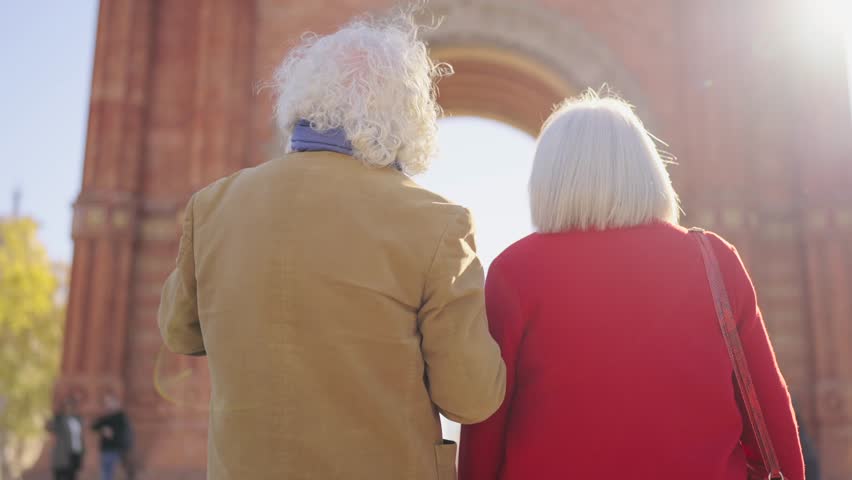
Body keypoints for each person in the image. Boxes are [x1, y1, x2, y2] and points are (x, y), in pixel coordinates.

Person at [158, 11, 506, 480]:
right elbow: (470, 396)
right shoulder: (437, 223)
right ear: (406, 115)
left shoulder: (214, 205)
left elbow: (179, 331)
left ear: (301, 98)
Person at [458, 91, 805, 479]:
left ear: (549, 178)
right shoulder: (713, 259)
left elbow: (488, 415)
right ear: (647, 170)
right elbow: (768, 404)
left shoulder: (515, 270)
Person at [91, 393, 134, 480]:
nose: (108, 404)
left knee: (116, 471)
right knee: (105, 472)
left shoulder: (121, 417)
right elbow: (94, 426)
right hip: (106, 449)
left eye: (110, 402)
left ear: (116, 403)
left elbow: (125, 432)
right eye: (106, 402)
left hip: (118, 449)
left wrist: (113, 434)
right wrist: (103, 429)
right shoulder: (105, 416)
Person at [46, 396, 84, 480]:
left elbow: (80, 435)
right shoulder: (60, 419)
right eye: (67, 405)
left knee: (72, 476)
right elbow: (50, 427)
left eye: (71, 405)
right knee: (61, 475)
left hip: (76, 451)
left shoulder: (77, 419)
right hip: (63, 453)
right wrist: (49, 422)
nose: (69, 407)